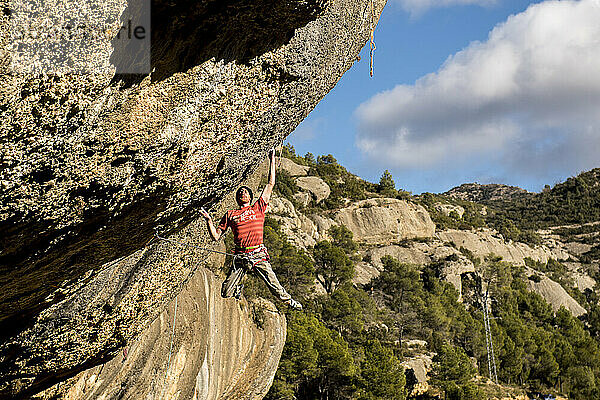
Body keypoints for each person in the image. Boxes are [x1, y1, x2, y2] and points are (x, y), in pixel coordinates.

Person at [199, 149, 303, 311]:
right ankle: (237, 290)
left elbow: (270, 184)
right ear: (237, 198)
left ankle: (289, 301)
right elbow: (215, 236)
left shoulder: (258, 208)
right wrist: (208, 220)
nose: (242, 193)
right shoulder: (230, 214)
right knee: (226, 292)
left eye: (245, 192)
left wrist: (272, 159)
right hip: (241, 256)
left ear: (250, 197)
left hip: (258, 253)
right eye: (240, 192)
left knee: (273, 283)